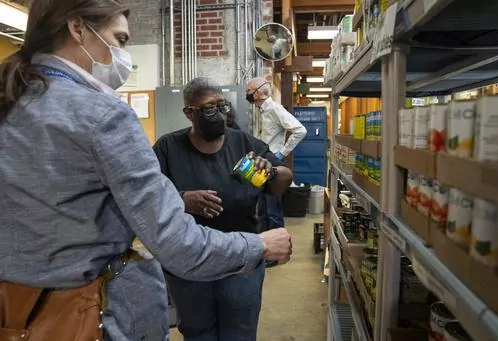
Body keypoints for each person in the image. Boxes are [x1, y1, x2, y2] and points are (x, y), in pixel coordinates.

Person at [0, 2, 292, 341]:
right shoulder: (103, 115)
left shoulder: (11, 102)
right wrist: (259, 246)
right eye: (120, 39)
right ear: (78, 28)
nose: (124, 55)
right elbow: (177, 244)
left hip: (17, 314)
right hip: (88, 312)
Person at [153, 77, 293, 341]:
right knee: (197, 331)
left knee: (239, 331)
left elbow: (282, 181)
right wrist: (182, 199)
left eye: (223, 106)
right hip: (189, 262)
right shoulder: (167, 148)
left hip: (241, 262)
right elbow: (149, 198)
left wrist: (272, 171)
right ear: (189, 113)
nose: (218, 115)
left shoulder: (244, 144)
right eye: (208, 109)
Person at [246, 78, 306, 266]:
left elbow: (300, 130)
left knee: (273, 209)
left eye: (249, 90)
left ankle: (278, 254)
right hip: (259, 164)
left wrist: (281, 153)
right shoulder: (260, 110)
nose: (247, 94)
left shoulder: (274, 109)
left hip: (271, 163)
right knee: (262, 208)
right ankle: (265, 249)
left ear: (258, 92)